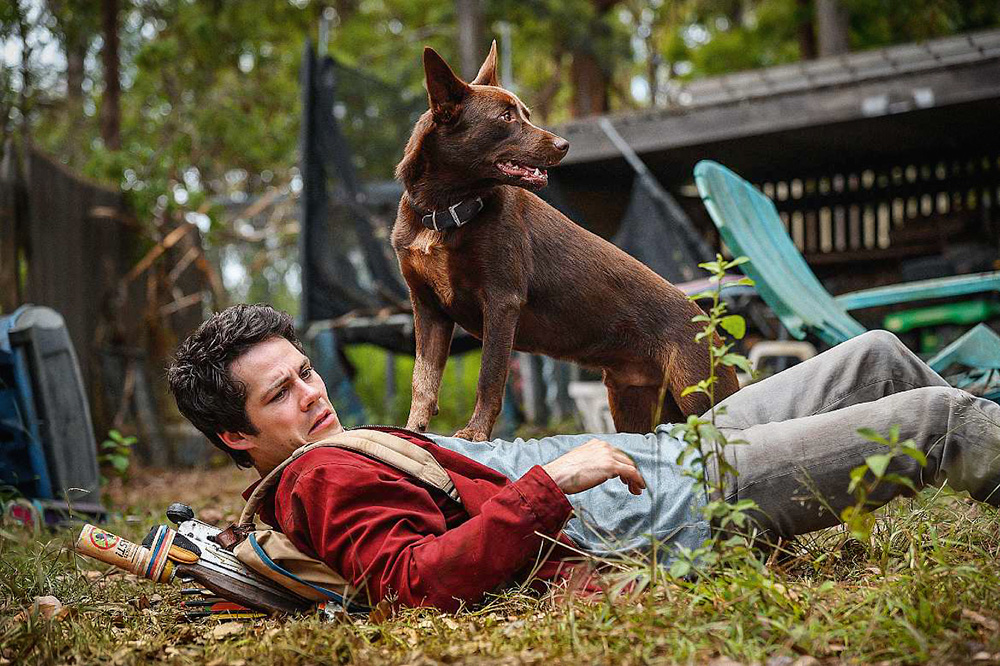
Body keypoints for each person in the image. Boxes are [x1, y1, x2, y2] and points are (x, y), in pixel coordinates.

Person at [167, 304, 1000, 612]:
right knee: (932, 420)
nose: (312, 393)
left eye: (304, 372)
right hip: (666, 501)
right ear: (236, 438)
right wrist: (548, 486)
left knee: (878, 356)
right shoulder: (318, 475)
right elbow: (411, 579)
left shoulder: (338, 446)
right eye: (279, 395)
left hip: (664, 451)